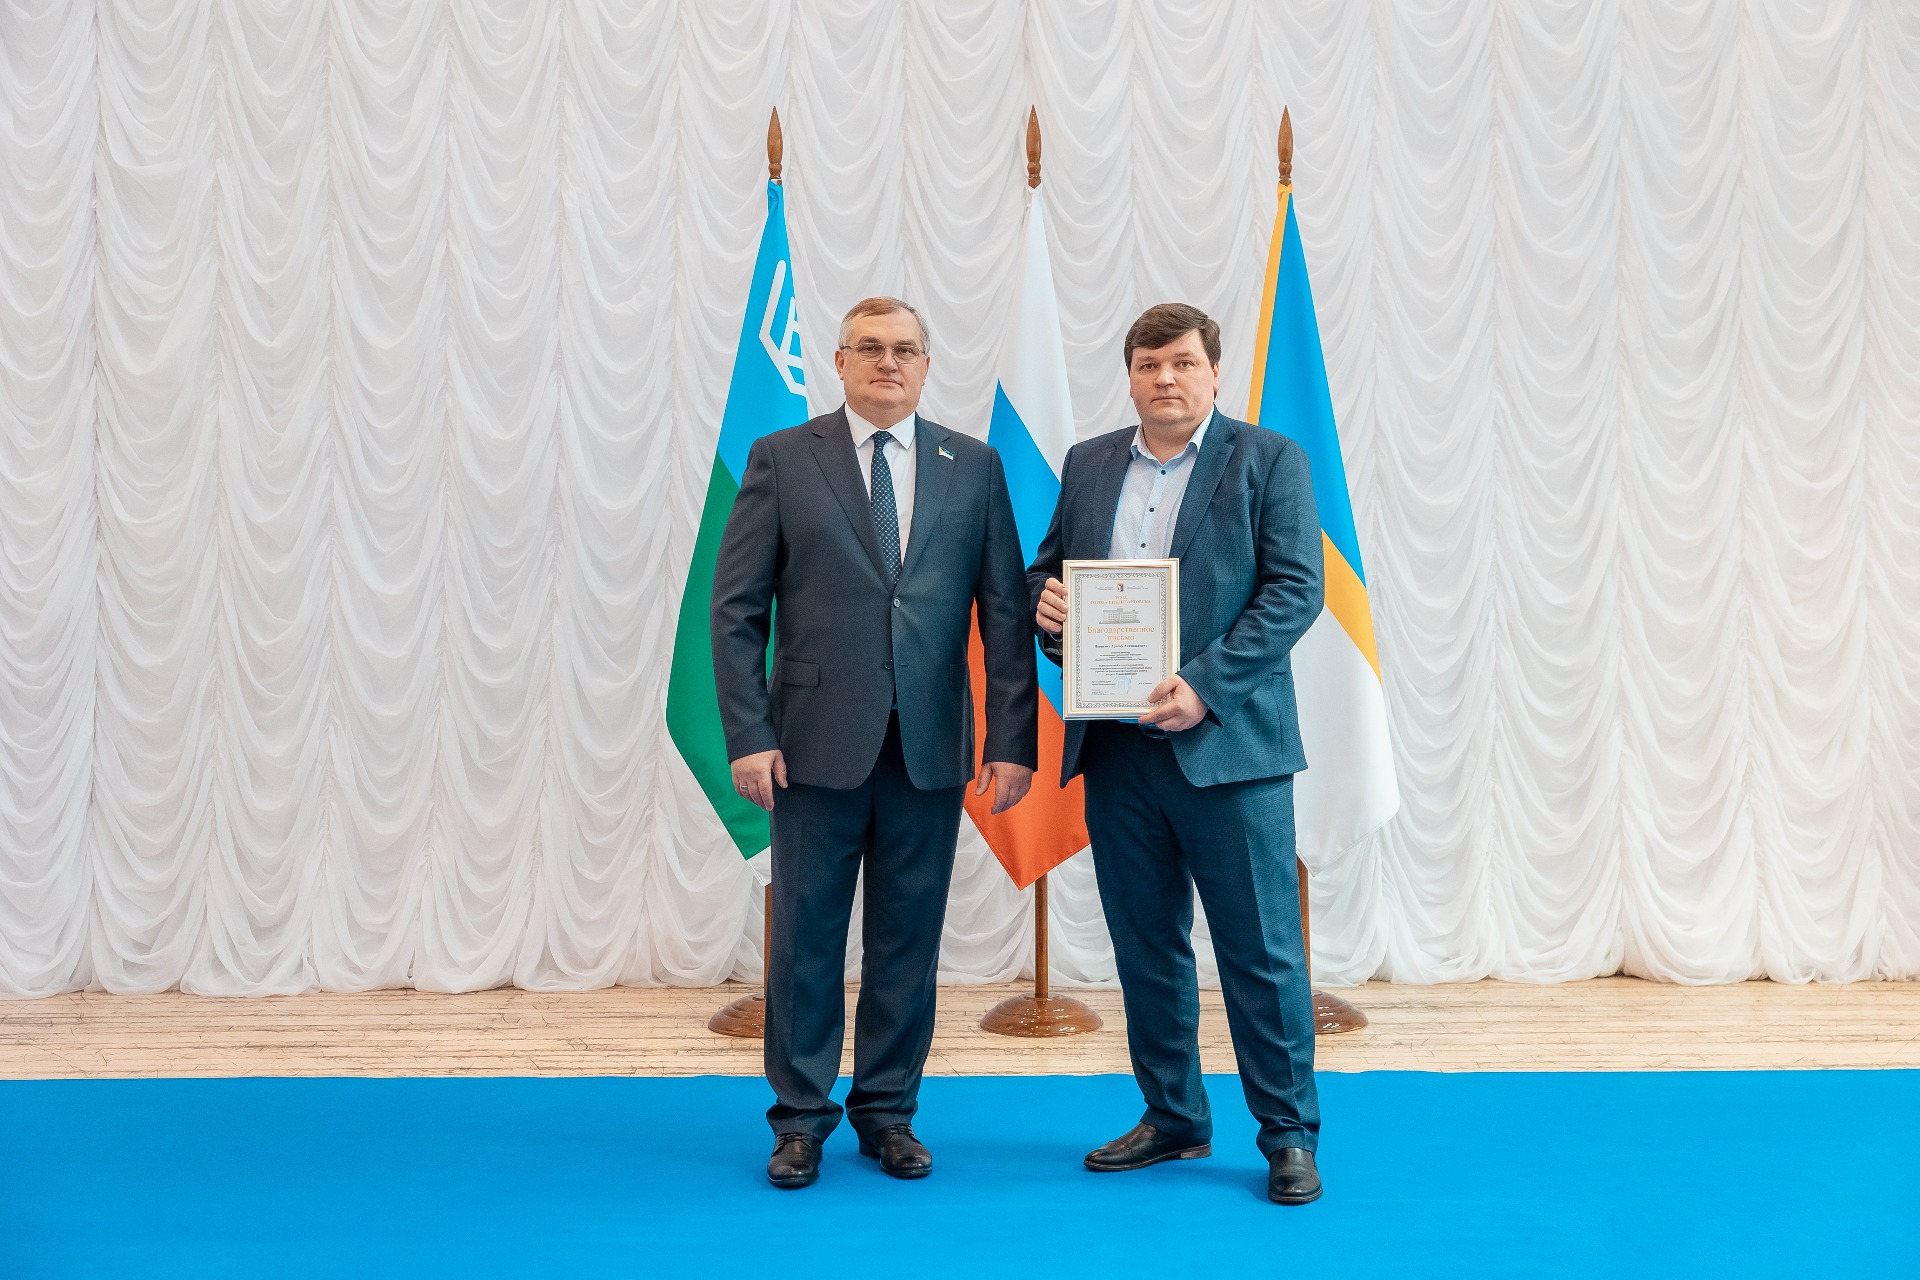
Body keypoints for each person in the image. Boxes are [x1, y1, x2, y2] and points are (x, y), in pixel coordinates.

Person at [711, 296, 1038, 1190]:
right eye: (870, 348)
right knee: (806, 942)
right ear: (841, 362)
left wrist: (1012, 741)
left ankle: (888, 1111)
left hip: (930, 750)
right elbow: (736, 611)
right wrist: (748, 733)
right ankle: (800, 1120)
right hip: (811, 747)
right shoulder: (784, 457)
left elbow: (1005, 616)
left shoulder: (973, 466)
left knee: (908, 943)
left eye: (904, 350)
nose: (888, 362)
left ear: (926, 366)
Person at [1028, 302, 1327, 1205]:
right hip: (1118, 752)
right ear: (1129, 376)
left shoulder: (1269, 458)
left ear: (1213, 373)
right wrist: (1044, 605)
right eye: (1149, 363)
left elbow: (1296, 591)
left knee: (1261, 953)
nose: (1165, 378)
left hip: (1229, 749)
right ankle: (1174, 1117)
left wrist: (1205, 685)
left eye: (1183, 362)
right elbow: (1049, 569)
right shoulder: (1088, 464)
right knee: (1146, 946)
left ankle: (1288, 1135)